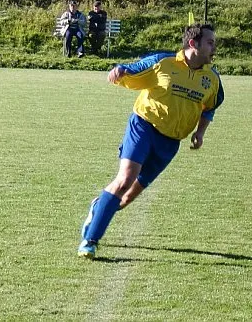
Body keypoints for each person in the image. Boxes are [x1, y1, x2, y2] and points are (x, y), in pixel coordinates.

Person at [77, 23, 224, 259]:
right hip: (144, 126)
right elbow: (134, 70)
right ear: (192, 44)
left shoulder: (212, 79)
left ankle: (99, 206)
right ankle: (90, 241)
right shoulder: (163, 63)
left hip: (170, 143)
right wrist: (120, 70)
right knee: (125, 179)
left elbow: (211, 106)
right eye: (209, 42)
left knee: (125, 199)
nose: (213, 47)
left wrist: (200, 132)